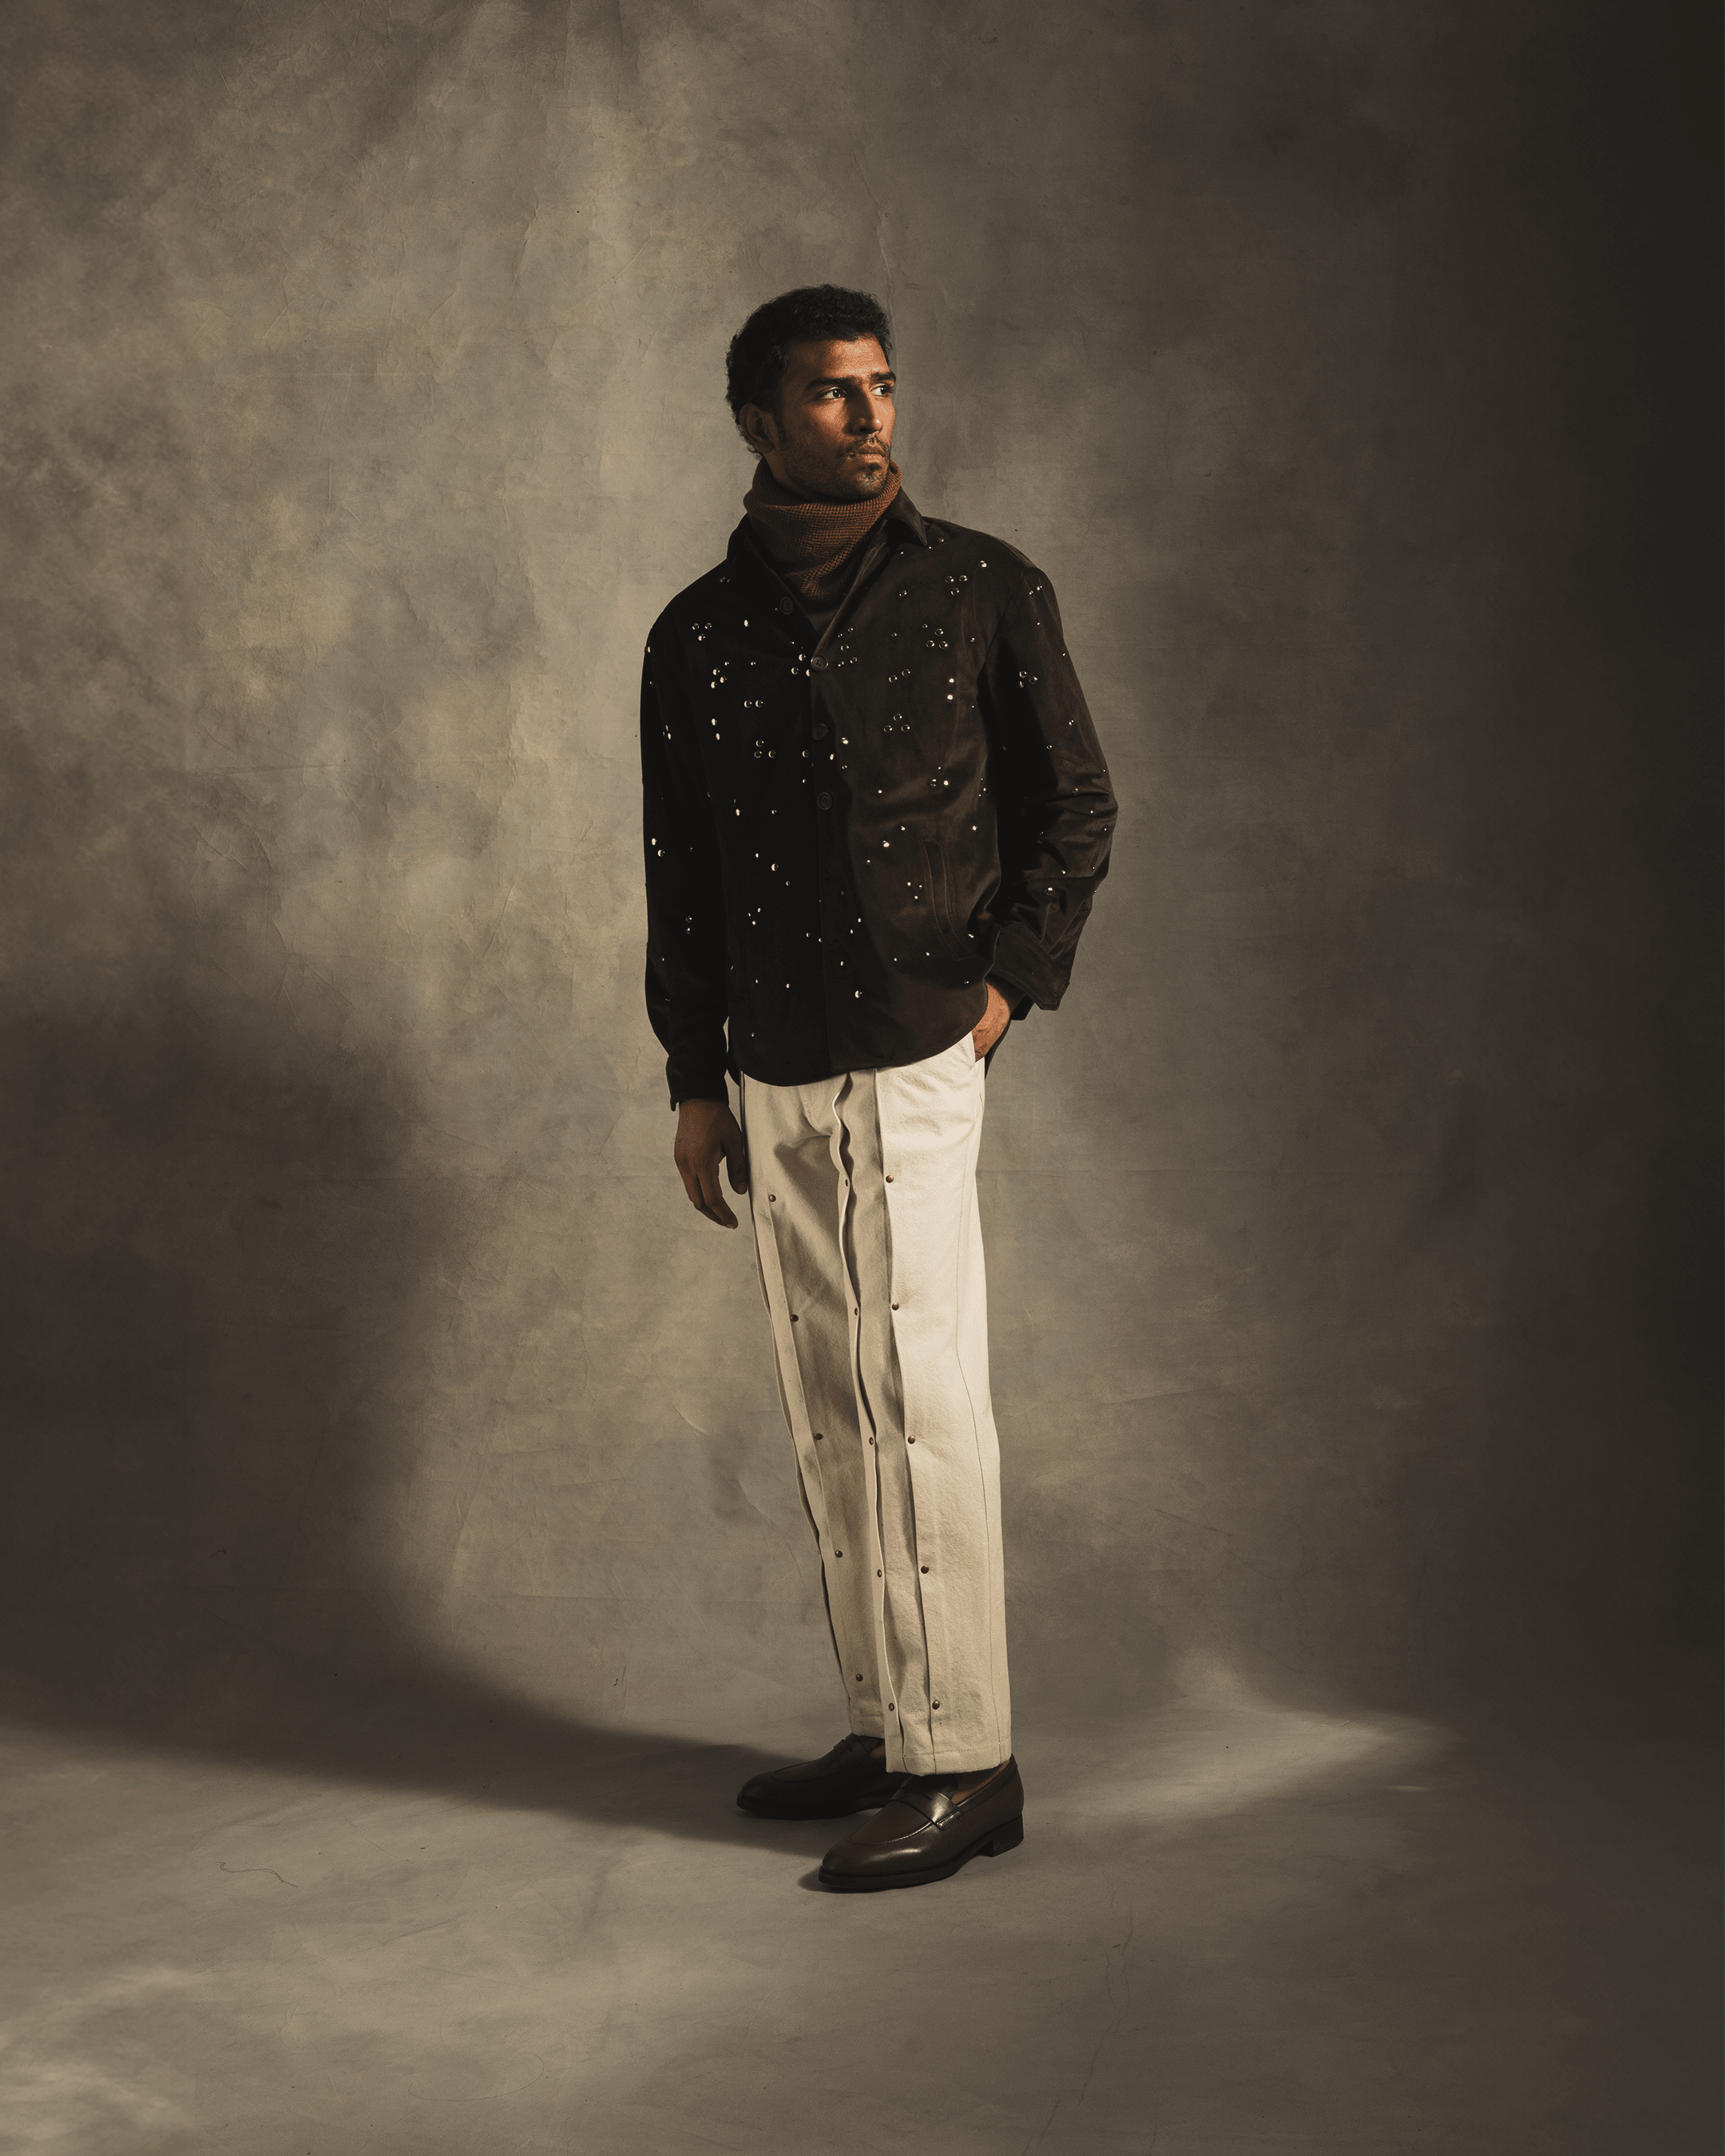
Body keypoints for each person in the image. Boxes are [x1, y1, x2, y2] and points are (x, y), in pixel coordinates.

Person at [639, 285, 1115, 1891]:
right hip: (768, 1060)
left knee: (922, 1398)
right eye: (835, 392)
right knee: (830, 1400)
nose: (871, 415)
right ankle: (886, 1723)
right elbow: (684, 871)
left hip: (919, 1044)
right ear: (760, 421)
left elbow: (1077, 802)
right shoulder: (695, 635)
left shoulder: (982, 586)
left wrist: (1006, 990)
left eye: (884, 386)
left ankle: (968, 1760)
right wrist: (692, 1079)